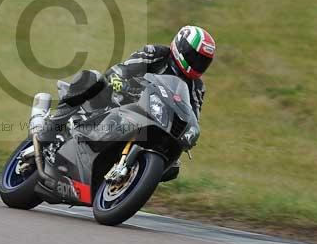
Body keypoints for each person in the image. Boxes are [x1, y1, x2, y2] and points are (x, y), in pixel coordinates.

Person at [44, 25, 216, 154]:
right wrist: (121, 83)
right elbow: (121, 70)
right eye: (195, 57)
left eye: (203, 61)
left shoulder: (197, 87)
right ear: (181, 46)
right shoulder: (156, 54)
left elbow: (192, 116)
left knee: (173, 161)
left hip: (154, 122)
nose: (198, 64)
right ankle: (52, 125)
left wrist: (191, 133)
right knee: (93, 78)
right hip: (120, 99)